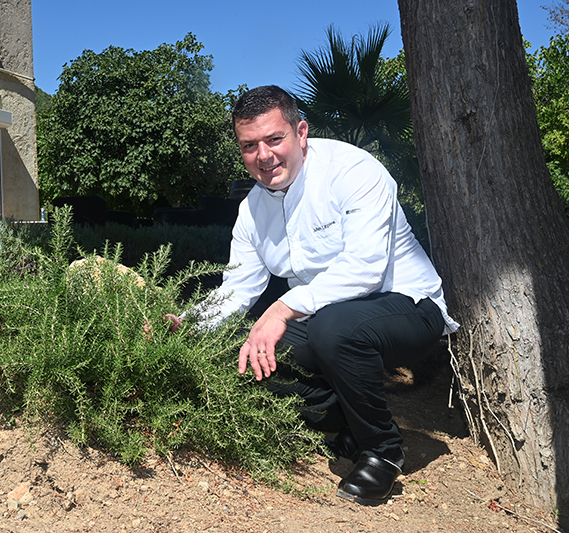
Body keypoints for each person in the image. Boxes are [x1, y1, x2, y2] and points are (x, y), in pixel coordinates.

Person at [167, 85, 459, 506]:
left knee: (330, 327)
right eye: (250, 146)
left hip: (408, 307)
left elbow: (365, 266)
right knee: (243, 351)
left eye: (274, 139)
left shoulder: (354, 171)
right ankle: (345, 423)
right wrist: (186, 325)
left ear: (300, 132)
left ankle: (382, 449)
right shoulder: (251, 210)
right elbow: (238, 287)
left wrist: (282, 308)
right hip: (324, 320)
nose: (263, 156)